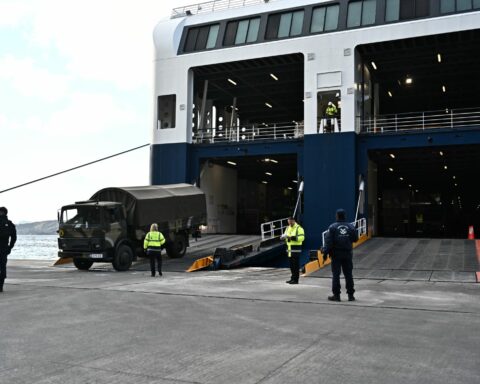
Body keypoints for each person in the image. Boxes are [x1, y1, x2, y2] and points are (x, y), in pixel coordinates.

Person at [322, 209, 358, 301]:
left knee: (336, 275)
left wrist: (325, 252)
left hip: (336, 254)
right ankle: (351, 295)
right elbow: (355, 239)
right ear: (345, 216)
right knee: (349, 274)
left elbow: (328, 242)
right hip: (347, 254)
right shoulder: (351, 226)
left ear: (337, 216)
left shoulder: (332, 227)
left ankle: (337, 295)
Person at [281, 217, 305, 284]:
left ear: (293, 221)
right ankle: (292, 278)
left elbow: (302, 238)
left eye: (290, 222)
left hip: (295, 249)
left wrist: (290, 237)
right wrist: (283, 237)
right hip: (289, 249)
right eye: (288, 222)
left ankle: (296, 280)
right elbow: (285, 235)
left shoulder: (299, 228)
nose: (289, 223)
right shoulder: (288, 228)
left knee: (295, 266)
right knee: (291, 266)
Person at [0, 207, 17, 293]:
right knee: (2, 267)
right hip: (4, 249)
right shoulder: (10, 224)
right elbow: (14, 238)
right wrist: (9, 247)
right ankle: (0, 286)